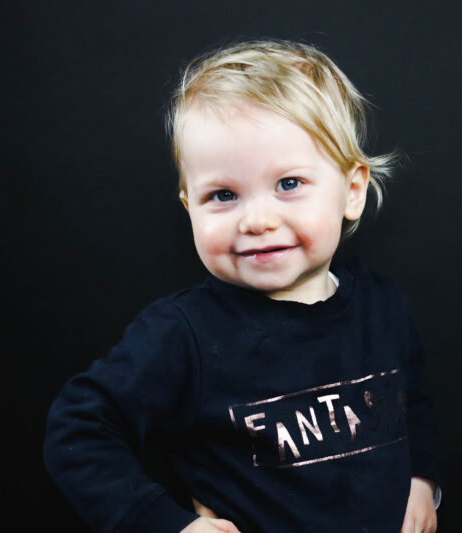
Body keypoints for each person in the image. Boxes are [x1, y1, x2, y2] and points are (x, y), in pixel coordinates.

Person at [43, 40, 443, 533]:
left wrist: (422, 478)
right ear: (190, 207)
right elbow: (78, 429)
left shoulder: (383, 307)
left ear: (352, 191)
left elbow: (413, 403)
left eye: (289, 184)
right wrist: (169, 523)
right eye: (223, 194)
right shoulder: (184, 334)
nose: (256, 220)